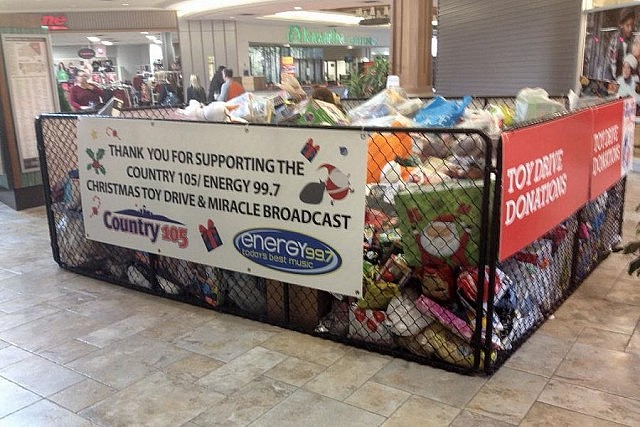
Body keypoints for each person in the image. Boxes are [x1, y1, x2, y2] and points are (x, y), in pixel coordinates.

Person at [607, 8, 636, 80]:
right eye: (627, 25)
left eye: (632, 25)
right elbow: (612, 63)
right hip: (615, 77)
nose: (630, 29)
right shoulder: (615, 39)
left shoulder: (634, 39)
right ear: (621, 25)